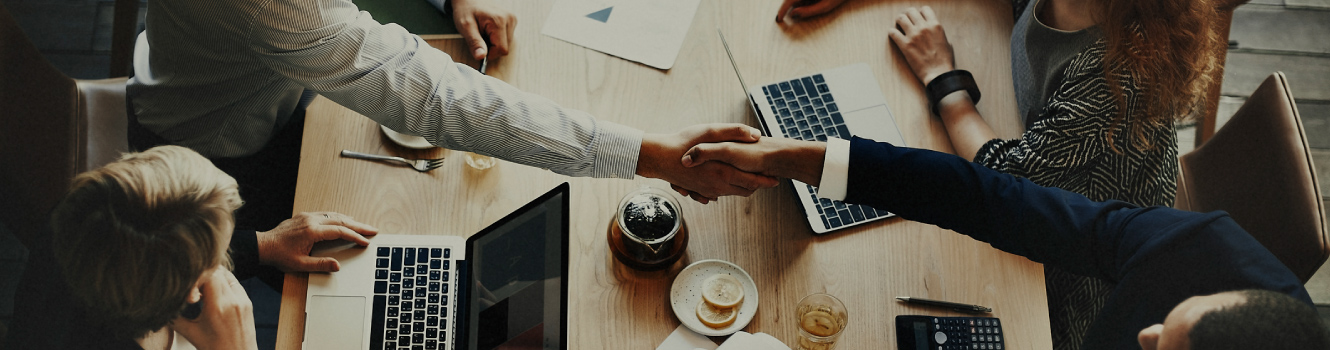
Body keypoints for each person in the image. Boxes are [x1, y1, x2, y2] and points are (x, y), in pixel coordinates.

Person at [778, 1, 1222, 347]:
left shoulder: (1121, 71)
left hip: (1072, 277)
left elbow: (1010, 176)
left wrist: (943, 77)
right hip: (1031, 163)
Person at [127, 0, 775, 232]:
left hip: (275, 78)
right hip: (216, 148)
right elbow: (437, 97)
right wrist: (648, 155)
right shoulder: (272, 8)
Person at [679, 136, 1330, 350]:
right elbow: (1005, 204)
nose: (1146, 337)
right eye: (1174, 323)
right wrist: (806, 158)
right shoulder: (1202, 250)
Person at [3, 146, 379, 349]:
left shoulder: (85, 219)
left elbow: (153, 233)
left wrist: (264, 245)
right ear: (191, 289)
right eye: (217, 253)